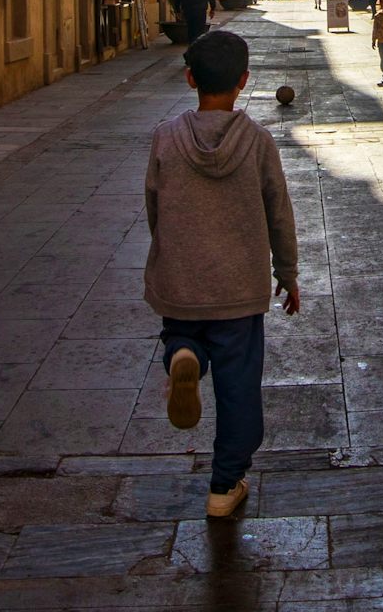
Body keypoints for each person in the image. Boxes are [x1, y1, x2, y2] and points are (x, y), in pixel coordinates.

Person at [144, 30, 299, 518]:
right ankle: (224, 485)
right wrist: (287, 271)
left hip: (181, 284)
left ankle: (182, 354)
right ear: (244, 82)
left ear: (190, 78)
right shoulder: (256, 141)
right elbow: (279, 212)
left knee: (182, 332)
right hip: (238, 290)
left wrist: (170, 251)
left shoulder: (166, 137)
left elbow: (154, 207)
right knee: (238, 390)